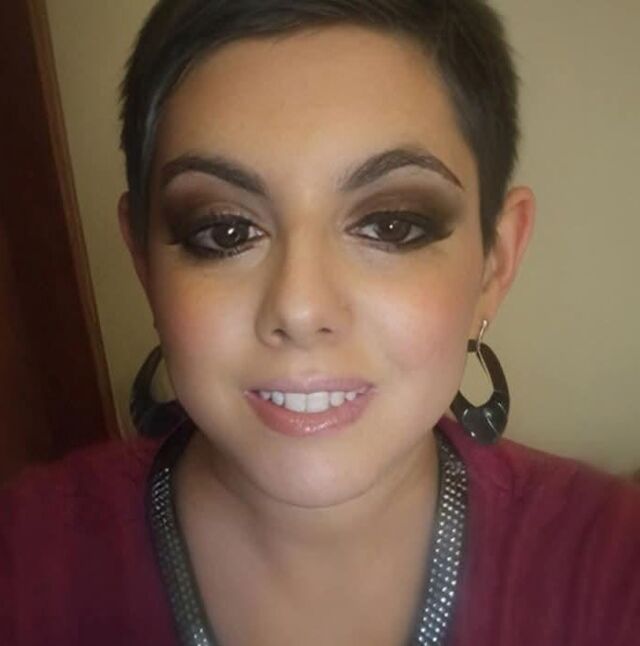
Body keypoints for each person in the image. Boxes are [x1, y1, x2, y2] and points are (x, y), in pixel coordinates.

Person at [2, 1, 639, 644]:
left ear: (493, 263)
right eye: (224, 232)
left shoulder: (613, 560)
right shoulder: (24, 558)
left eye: (391, 225)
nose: (300, 309)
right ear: (145, 262)